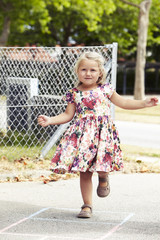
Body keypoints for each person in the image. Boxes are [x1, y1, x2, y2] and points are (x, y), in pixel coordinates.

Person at [38, 52, 158, 218]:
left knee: (102, 166)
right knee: (85, 171)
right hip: (82, 137)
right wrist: (50, 120)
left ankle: (103, 177)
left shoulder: (106, 89)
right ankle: (87, 205)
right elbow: (67, 115)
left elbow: (124, 102)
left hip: (103, 135)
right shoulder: (74, 93)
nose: (88, 73)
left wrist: (144, 103)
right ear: (77, 71)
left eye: (93, 70)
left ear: (100, 72)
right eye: (84, 69)